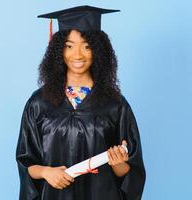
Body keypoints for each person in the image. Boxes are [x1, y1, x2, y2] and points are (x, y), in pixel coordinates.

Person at [16, 5, 146, 200]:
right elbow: (26, 162)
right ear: (59, 50)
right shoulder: (39, 103)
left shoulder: (115, 105)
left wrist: (118, 162)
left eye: (87, 46)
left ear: (99, 50)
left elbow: (130, 174)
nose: (77, 55)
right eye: (69, 46)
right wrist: (46, 172)